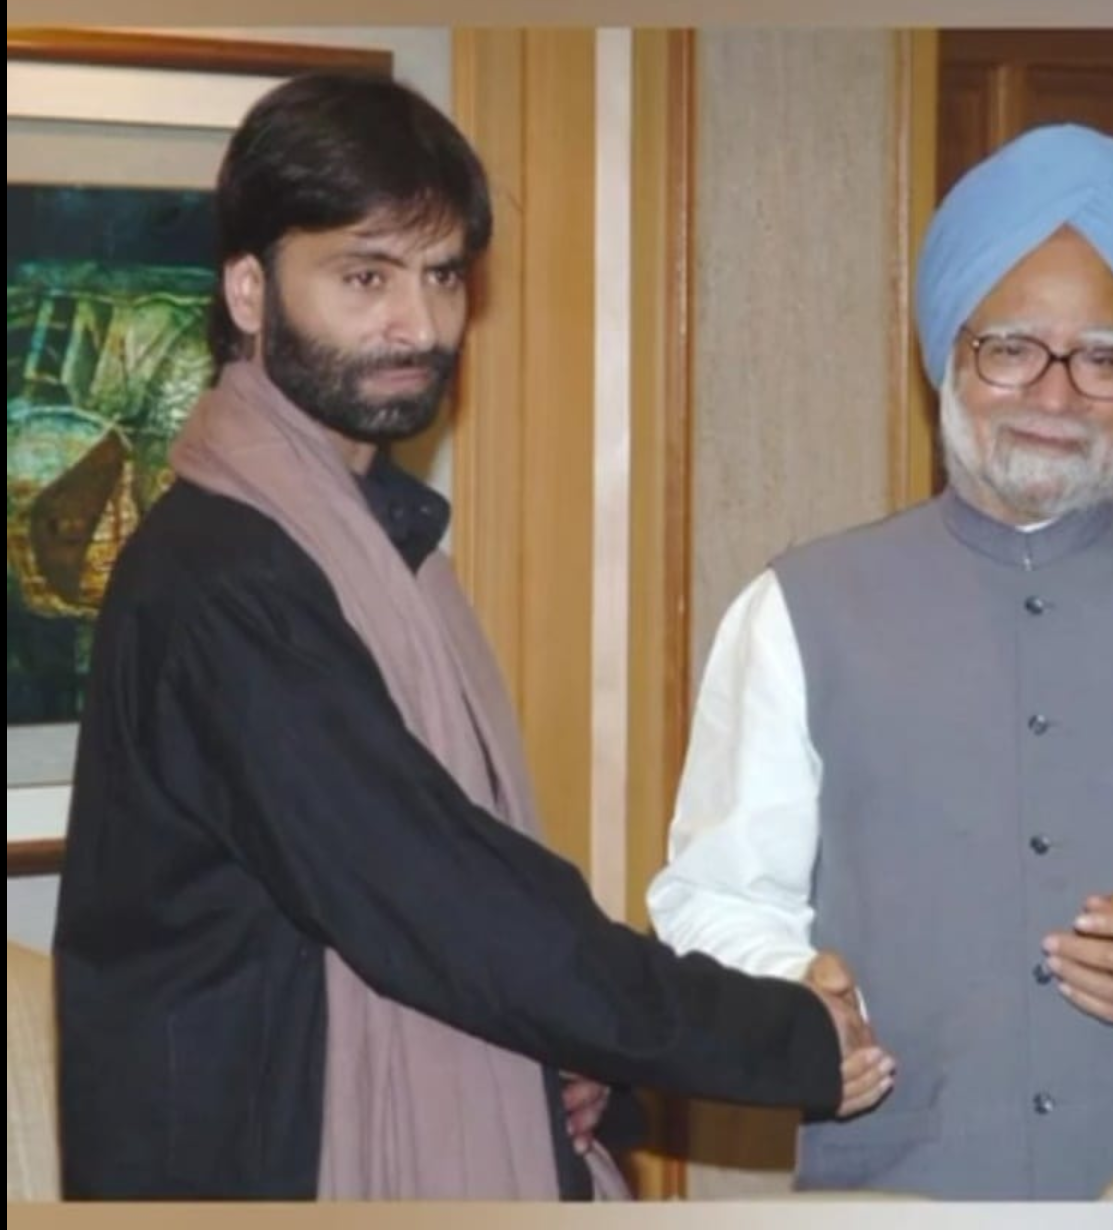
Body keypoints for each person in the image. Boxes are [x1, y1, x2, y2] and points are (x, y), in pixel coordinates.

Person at [52, 73, 894, 1202]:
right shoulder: (220, 580)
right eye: (365, 277)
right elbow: (437, 897)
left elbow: (463, 911)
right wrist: (778, 1039)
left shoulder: (383, 547)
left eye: (443, 276)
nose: (418, 325)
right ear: (250, 291)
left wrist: (571, 1058)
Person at [647, 123, 1113, 1200]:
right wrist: (792, 987)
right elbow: (713, 898)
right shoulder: (796, 611)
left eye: (1102, 357)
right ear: (949, 353)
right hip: (888, 1195)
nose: (1056, 398)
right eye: (1012, 348)